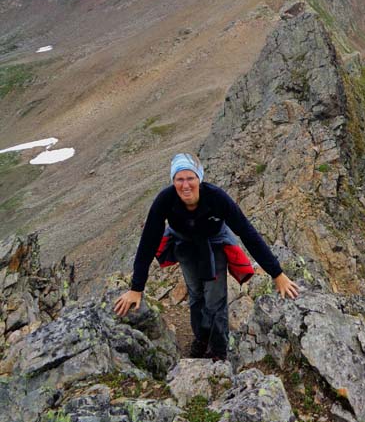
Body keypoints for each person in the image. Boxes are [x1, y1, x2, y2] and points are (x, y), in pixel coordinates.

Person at [114, 153, 299, 360]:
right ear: (173, 182)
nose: (185, 185)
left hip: (215, 242)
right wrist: (136, 288)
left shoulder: (216, 198)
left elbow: (248, 233)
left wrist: (277, 274)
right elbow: (148, 241)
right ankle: (201, 338)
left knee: (215, 299)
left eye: (190, 178)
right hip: (183, 243)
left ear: (199, 179)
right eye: (179, 179)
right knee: (195, 295)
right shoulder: (165, 200)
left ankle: (219, 352)